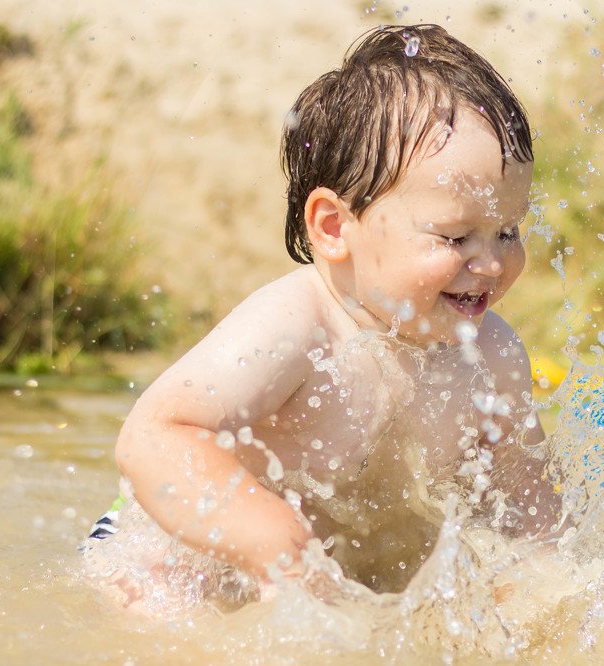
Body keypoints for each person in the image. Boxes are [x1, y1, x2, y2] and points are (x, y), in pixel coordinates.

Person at [82, 24, 554, 611]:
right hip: (185, 539)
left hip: (341, 567)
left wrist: (542, 582)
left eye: (507, 230)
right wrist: (263, 535)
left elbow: (526, 497)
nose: (490, 262)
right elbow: (155, 436)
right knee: (160, 603)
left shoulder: (492, 356)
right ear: (334, 227)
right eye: (456, 236)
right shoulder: (298, 326)